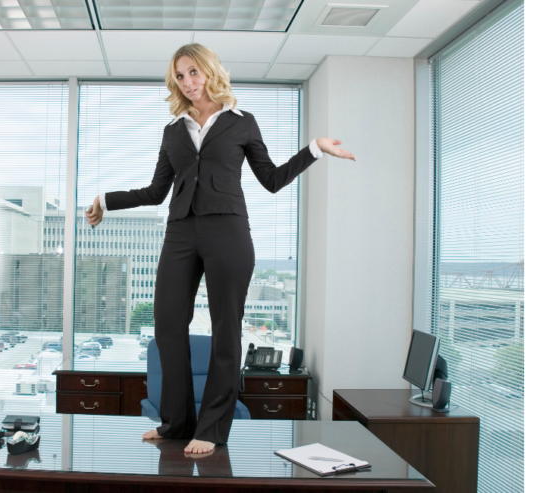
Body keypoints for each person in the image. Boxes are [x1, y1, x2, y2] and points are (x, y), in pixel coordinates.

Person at [85, 44, 356, 455]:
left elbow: (272, 178)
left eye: (193, 72)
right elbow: (157, 192)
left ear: (210, 72)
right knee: (166, 326)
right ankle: (175, 422)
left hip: (228, 232)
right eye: (180, 76)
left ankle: (210, 429)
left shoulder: (241, 123)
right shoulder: (173, 129)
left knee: (225, 329)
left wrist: (315, 148)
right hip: (180, 233)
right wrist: (106, 199)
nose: (187, 82)